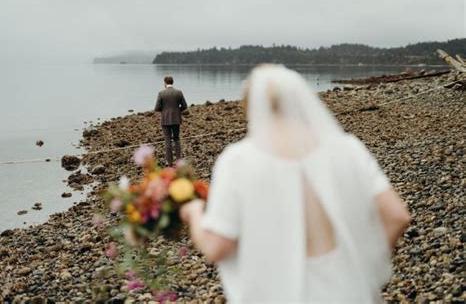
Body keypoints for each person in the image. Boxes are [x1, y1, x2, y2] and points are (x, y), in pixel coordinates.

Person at [180, 65, 411, 303]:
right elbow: (397, 216)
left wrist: (194, 213)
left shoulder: (238, 160)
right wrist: (364, 269)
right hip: (345, 293)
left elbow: (217, 247)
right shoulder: (347, 149)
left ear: (251, 107)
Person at [154, 76, 188, 166]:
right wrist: (177, 111)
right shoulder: (178, 92)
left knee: (167, 141)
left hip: (165, 120)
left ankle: (169, 163)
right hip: (176, 119)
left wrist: (164, 111)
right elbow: (184, 106)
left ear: (165, 83)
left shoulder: (161, 93)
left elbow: (157, 108)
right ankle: (178, 161)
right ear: (172, 82)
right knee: (177, 139)